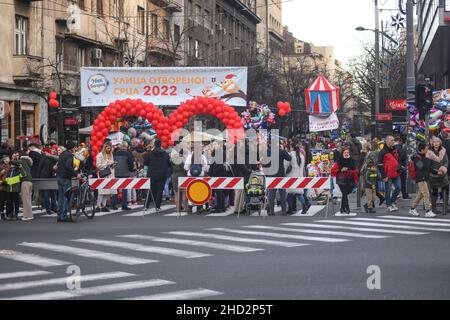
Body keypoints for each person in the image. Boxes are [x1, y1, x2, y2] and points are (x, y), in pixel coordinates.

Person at [263, 143, 292, 216]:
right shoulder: (281, 151)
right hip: (280, 175)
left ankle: (271, 211)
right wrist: (284, 151)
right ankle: (283, 211)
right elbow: (289, 158)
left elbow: (264, 164)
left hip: (271, 175)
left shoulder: (267, 152)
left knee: (271, 195)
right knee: (282, 194)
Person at [56, 141, 81, 222]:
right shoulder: (69, 155)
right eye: (75, 147)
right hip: (66, 178)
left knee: (60, 197)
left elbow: (59, 165)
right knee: (66, 197)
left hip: (59, 177)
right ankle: (63, 216)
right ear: (73, 148)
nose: (76, 149)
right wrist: (76, 174)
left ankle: (59, 215)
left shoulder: (62, 154)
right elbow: (68, 166)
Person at [409, 143, 436, 218]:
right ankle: (428, 211)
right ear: (422, 150)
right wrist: (427, 160)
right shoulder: (416, 157)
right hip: (420, 178)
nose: (427, 150)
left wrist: (437, 172)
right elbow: (420, 167)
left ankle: (412, 208)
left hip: (425, 177)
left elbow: (428, 168)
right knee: (426, 193)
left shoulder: (424, 157)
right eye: (426, 149)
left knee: (421, 194)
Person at [285, 143, 311, 215]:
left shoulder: (290, 155)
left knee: (290, 193)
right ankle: (304, 206)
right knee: (298, 193)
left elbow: (286, 165)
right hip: (299, 175)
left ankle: (291, 208)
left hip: (291, 176)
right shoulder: (301, 155)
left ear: (291, 147)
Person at [378, 135, 401, 213]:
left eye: (393, 140)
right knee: (388, 190)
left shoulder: (394, 150)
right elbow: (379, 165)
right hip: (387, 174)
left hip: (396, 173)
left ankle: (391, 202)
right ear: (387, 141)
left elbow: (398, 159)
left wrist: (400, 167)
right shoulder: (382, 152)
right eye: (391, 140)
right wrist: (384, 176)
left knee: (398, 188)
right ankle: (389, 205)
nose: (393, 141)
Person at [146, 139, 171, 211]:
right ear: (160, 145)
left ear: (154, 145)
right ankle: (157, 206)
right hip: (162, 174)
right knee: (160, 191)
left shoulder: (150, 153)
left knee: (151, 190)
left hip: (152, 174)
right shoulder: (165, 154)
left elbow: (146, 162)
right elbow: (169, 164)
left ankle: (146, 205)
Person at [184, 143, 209, 213]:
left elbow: (186, 167)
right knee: (199, 191)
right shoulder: (202, 156)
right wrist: (202, 170)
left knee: (190, 191)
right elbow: (206, 168)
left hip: (190, 175)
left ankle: (190, 207)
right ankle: (199, 207)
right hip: (200, 176)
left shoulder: (190, 156)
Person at [332, 147, 358, 214]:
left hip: (350, 180)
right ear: (342, 153)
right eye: (345, 152)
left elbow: (356, 170)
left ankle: (342, 207)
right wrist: (341, 170)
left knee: (345, 193)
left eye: (347, 152)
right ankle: (347, 207)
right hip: (341, 179)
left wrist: (351, 171)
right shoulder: (339, 160)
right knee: (344, 193)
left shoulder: (352, 160)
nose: (346, 154)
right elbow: (333, 170)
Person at [427, 136, 449, 214]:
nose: (436, 144)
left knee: (446, 188)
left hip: (443, 174)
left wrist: (443, 168)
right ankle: (434, 208)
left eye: (437, 142)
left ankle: (445, 207)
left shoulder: (443, 151)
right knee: (434, 191)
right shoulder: (429, 152)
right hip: (433, 175)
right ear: (432, 144)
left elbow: (446, 161)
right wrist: (435, 171)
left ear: (440, 143)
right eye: (434, 142)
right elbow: (428, 165)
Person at [12, 151, 33, 221]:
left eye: (18, 155)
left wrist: (11, 159)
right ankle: (28, 215)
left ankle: (28, 215)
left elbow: (15, 162)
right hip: (29, 181)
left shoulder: (22, 160)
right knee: (28, 199)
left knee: (25, 199)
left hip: (25, 181)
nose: (17, 157)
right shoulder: (28, 161)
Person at [113, 141, 134, 211]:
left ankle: (114, 204)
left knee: (115, 189)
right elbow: (130, 164)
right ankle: (124, 205)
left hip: (116, 172)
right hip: (125, 173)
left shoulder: (115, 153)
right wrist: (131, 169)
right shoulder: (128, 154)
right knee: (124, 189)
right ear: (126, 147)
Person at [95, 142, 116, 212]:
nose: (109, 150)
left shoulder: (111, 154)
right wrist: (106, 164)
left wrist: (113, 164)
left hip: (110, 174)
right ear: (105, 148)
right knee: (101, 191)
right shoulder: (100, 155)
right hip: (103, 174)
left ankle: (104, 205)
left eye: (110, 148)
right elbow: (98, 165)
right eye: (108, 148)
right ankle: (98, 205)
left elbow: (111, 163)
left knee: (107, 191)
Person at [38, 147, 58, 215]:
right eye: (53, 150)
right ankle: (48, 209)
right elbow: (40, 167)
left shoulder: (56, 158)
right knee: (47, 194)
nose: (54, 151)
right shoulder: (45, 157)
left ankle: (53, 208)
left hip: (52, 177)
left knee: (53, 194)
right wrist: (38, 177)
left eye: (55, 150)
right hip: (45, 177)